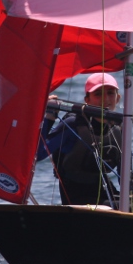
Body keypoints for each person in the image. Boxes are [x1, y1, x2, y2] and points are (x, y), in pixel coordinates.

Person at [37, 72, 123, 207]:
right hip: (77, 199)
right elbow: (38, 154)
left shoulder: (118, 128)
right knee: (130, 208)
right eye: (98, 94)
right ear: (87, 100)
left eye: (110, 93)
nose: (105, 99)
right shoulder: (73, 124)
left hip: (106, 192)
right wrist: (48, 118)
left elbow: (124, 171)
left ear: (118, 98)